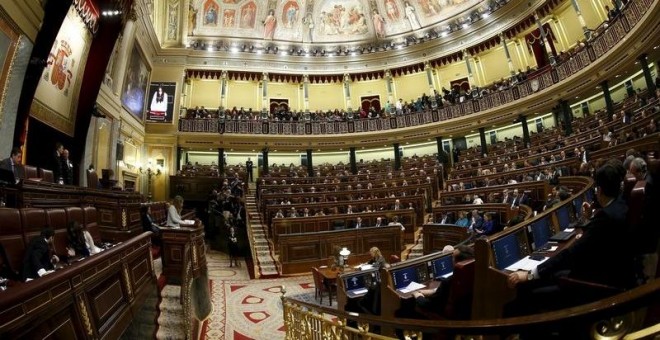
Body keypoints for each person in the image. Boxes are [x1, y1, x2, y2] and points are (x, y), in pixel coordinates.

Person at [506, 162, 637, 318]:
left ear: (599, 190)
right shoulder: (620, 204)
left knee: (527, 288)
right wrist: (590, 220)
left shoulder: (606, 217)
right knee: (554, 272)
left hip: (597, 284)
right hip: (612, 272)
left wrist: (529, 275)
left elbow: (570, 254)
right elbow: (598, 236)